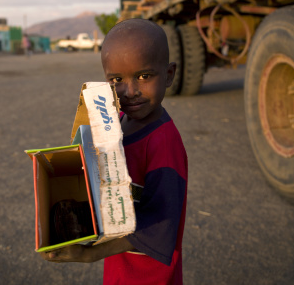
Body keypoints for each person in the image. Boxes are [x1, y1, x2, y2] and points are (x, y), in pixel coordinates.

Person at [41, 19, 188, 285]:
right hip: (121, 268)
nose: (130, 91)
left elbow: (160, 227)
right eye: (117, 79)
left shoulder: (163, 143)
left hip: (148, 275)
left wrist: (90, 255)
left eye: (144, 76)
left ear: (168, 75)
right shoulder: (117, 119)